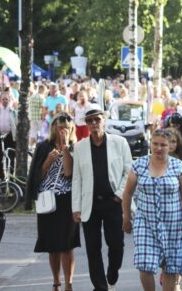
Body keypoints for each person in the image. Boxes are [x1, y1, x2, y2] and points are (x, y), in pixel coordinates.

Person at [122, 129, 182, 291]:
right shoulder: (140, 164)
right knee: (144, 264)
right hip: (145, 223)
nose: (158, 148)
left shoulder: (178, 166)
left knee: (170, 267)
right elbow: (127, 193)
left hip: (173, 224)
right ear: (150, 144)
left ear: (170, 147)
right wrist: (126, 217)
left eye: (163, 145)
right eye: (155, 144)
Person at [72, 107, 133, 291]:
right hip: (90, 203)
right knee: (92, 247)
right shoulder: (80, 146)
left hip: (113, 202)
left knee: (116, 245)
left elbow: (129, 171)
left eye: (96, 120)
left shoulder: (119, 142)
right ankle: (100, 286)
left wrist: (119, 194)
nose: (93, 124)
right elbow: (77, 178)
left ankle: (112, 273)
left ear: (104, 120)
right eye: (89, 121)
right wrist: (76, 207)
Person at [26, 113, 80, 291]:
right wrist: (48, 161)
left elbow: (69, 173)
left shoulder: (75, 148)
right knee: (52, 246)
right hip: (46, 200)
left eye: (66, 126)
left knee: (67, 245)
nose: (63, 129)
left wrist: (65, 149)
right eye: (59, 126)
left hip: (67, 199)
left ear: (71, 129)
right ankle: (56, 281)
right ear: (54, 128)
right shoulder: (43, 147)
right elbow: (36, 176)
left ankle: (68, 283)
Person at [0, 93, 18, 181]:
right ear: (0, 100)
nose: (5, 101)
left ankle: (10, 176)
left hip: (10, 137)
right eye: (3, 99)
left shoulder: (13, 112)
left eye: (6, 99)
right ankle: (1, 176)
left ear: (9, 100)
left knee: (10, 158)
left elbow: (17, 125)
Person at [28, 84, 46, 148]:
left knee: (33, 132)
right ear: (43, 90)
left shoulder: (31, 96)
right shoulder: (41, 97)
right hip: (40, 117)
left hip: (32, 117)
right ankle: (40, 147)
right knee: (42, 133)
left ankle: (30, 147)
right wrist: (44, 116)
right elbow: (43, 107)